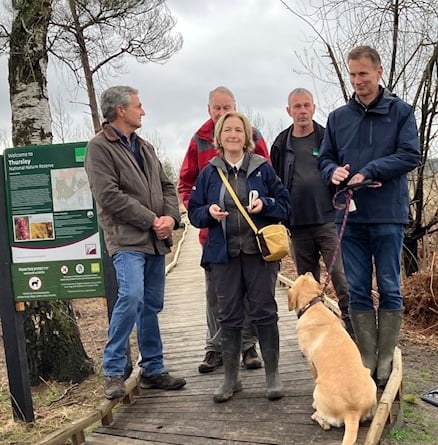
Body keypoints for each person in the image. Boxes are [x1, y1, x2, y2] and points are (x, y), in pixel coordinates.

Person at [318, 46, 420, 387]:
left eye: (363, 73)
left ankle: (386, 358)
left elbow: (410, 155)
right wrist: (332, 171)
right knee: (358, 289)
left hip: (388, 214)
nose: (357, 80)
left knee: (389, 286)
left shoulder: (401, 112)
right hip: (350, 216)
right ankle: (367, 357)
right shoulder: (337, 118)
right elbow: (325, 157)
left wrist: (370, 170)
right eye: (352, 74)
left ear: (378, 73)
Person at [85, 85, 186, 399]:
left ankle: (153, 368)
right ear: (120, 110)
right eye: (139, 106)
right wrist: (151, 220)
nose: (143, 111)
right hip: (127, 240)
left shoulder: (145, 147)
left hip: (156, 241)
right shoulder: (99, 147)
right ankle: (114, 371)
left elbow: (167, 187)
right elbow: (108, 196)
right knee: (130, 296)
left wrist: (170, 218)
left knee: (150, 306)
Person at [188, 111, 291, 402]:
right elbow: (194, 212)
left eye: (239, 130)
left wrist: (266, 204)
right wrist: (207, 213)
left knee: (264, 311)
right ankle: (231, 379)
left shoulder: (263, 169)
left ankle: (272, 376)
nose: (233, 135)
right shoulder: (209, 172)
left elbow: (285, 205)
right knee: (228, 315)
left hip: (260, 255)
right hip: (224, 256)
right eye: (227, 130)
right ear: (219, 138)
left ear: (247, 137)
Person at [178, 86, 270, 373]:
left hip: (252, 234)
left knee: (251, 293)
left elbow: (270, 177)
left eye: (227, 107)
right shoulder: (199, 140)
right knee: (216, 295)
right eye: (216, 108)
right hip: (215, 236)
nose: (222, 113)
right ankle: (214, 348)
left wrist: (265, 207)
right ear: (209, 110)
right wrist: (204, 212)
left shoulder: (252, 135)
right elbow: (185, 184)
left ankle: (248, 347)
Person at [271, 88, 353, 336]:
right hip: (297, 225)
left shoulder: (327, 138)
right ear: (289, 111)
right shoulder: (280, 144)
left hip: (329, 220)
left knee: (341, 277)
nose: (302, 111)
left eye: (306, 105)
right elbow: (275, 182)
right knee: (306, 283)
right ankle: (313, 332)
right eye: (297, 106)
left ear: (314, 108)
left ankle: (352, 329)